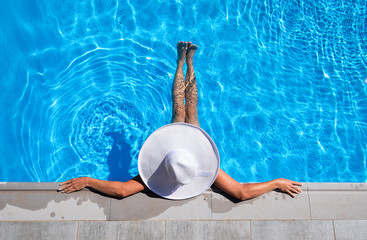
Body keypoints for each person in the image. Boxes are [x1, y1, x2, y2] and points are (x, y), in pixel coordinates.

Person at [59, 41, 302, 200]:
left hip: (177, 150)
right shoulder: (202, 171)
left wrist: (88, 180)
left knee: (181, 109)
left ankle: (182, 61)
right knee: (189, 109)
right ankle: (188, 62)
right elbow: (239, 192)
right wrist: (275, 182)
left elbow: (122, 191)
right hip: (183, 150)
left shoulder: (156, 175)